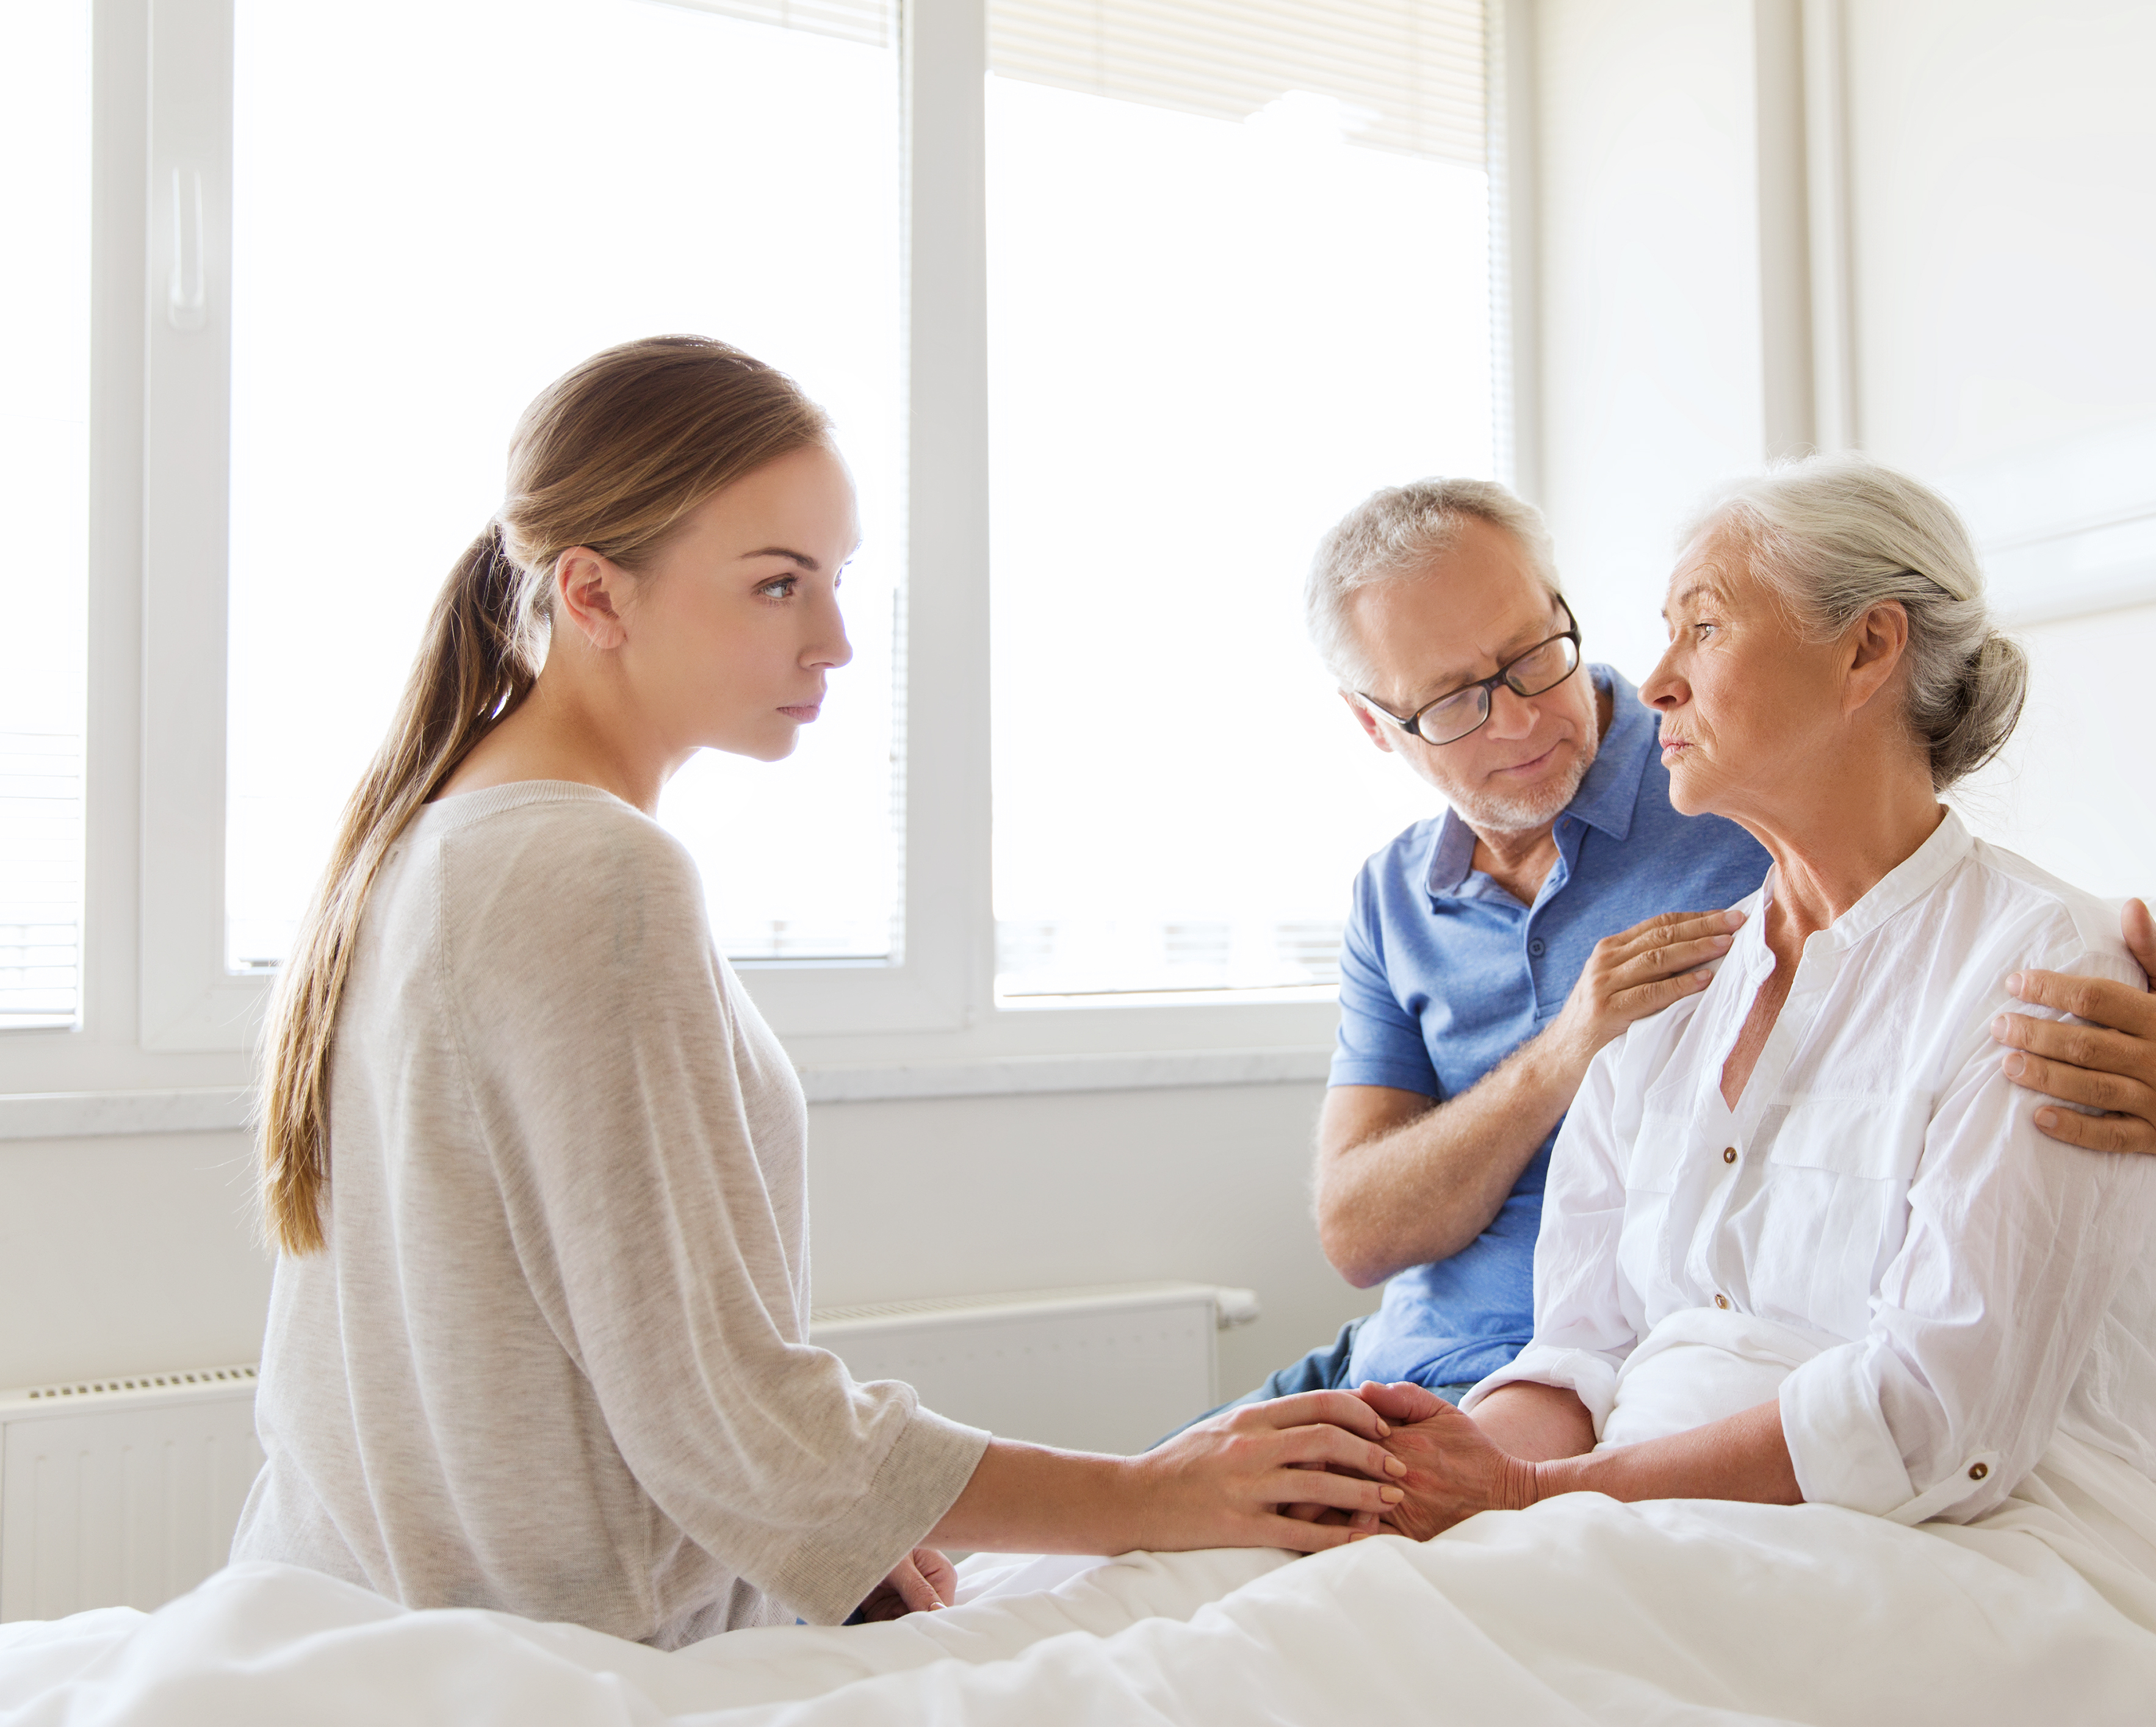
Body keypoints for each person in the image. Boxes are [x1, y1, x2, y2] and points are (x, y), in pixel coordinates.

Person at [230, 337, 1406, 1649]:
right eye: (777, 584)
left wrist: (847, 1532)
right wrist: (1155, 1494)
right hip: (546, 1652)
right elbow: (724, 1409)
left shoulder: (436, 834)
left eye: (835, 581)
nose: (837, 640)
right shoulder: (589, 869)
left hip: (361, 1616)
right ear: (595, 594)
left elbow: (620, 1371)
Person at [1218, 479, 2156, 1412]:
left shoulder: (1744, 781)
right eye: (1454, 700)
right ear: (1375, 726)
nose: (1519, 718)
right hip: (1395, 1360)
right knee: (1099, 1552)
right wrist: (1566, 1051)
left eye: (1536, 654)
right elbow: (1358, 1232)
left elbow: (1943, 973)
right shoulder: (1394, 895)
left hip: (1552, 1379)